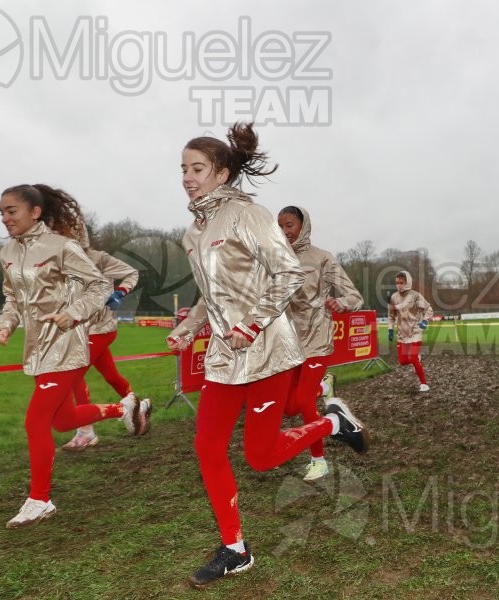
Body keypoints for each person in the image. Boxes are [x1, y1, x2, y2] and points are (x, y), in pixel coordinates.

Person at [166, 122, 370, 588]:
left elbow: (287, 273)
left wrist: (252, 323)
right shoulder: (193, 233)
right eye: (183, 168)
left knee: (260, 456)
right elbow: (209, 294)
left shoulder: (249, 215)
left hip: (268, 351)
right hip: (224, 355)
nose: (187, 176)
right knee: (207, 447)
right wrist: (189, 327)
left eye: (197, 168)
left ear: (221, 173)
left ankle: (332, 424)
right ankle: (235, 549)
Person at [0, 184, 152, 529]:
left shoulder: (61, 246)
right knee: (63, 421)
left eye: (12, 211)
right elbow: (11, 297)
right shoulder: (6, 251)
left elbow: (98, 285)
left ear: (35, 212)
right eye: (2, 212)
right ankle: (122, 408)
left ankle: (40, 500)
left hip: (67, 345)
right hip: (36, 348)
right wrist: (7, 324)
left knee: (35, 421)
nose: (5, 218)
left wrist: (75, 313)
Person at [277, 205, 364, 481]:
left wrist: (341, 302)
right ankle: (324, 385)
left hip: (317, 336)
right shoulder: (276, 260)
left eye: (289, 224)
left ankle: (319, 460)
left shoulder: (322, 258)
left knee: (303, 401)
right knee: (287, 407)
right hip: (288, 341)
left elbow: (355, 296)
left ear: (304, 225)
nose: (284, 231)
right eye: (279, 226)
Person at [61, 221, 142, 451]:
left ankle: (86, 432)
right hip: (79, 329)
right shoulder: (61, 261)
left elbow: (132, 273)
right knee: (111, 376)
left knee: (74, 375)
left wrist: (120, 292)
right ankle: (140, 407)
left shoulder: (99, 258)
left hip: (101, 328)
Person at [388, 271, 434, 391]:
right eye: (397, 283)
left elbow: (429, 309)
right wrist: (390, 329)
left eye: (401, 283)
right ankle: (416, 360)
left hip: (415, 331)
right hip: (402, 334)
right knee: (402, 361)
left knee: (413, 358)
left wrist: (425, 321)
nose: (399, 285)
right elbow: (391, 316)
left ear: (407, 282)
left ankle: (424, 384)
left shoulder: (415, 296)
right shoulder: (393, 297)